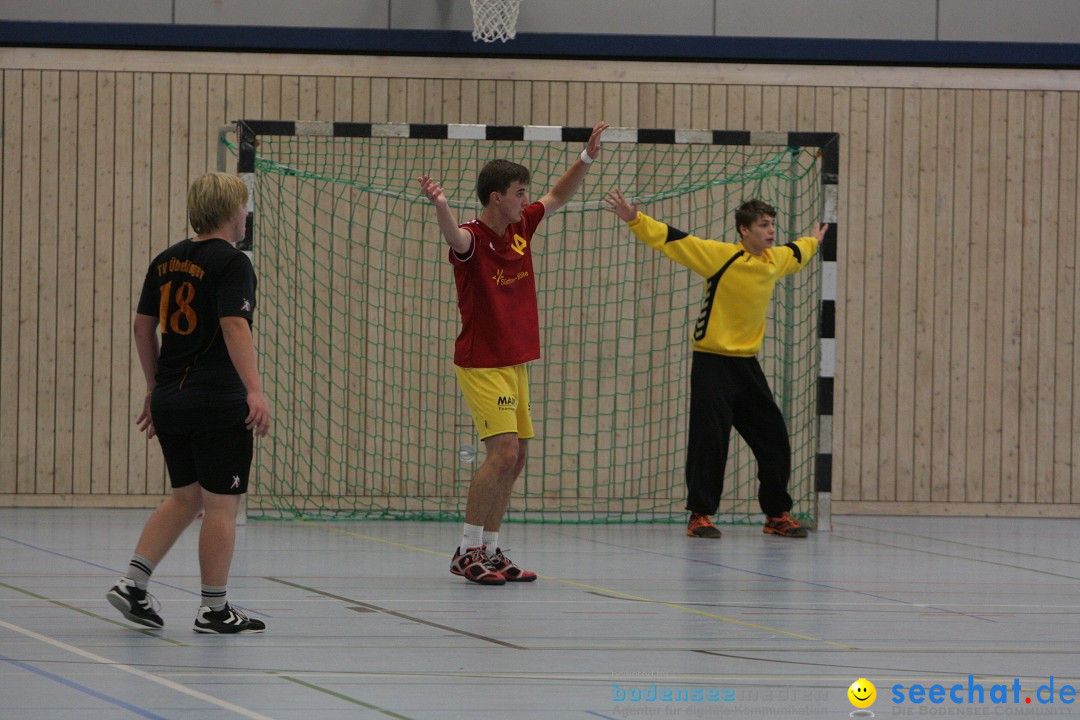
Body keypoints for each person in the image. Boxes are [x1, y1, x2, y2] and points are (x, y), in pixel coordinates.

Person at [418, 121, 610, 585]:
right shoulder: (471, 236)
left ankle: (490, 548)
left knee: (517, 456)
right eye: (519, 193)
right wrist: (441, 206)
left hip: (517, 359)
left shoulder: (522, 225)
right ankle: (465, 551)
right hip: (482, 362)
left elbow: (558, 196)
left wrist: (585, 158)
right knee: (502, 452)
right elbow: (454, 240)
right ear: (495, 198)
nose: (527, 199)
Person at [604, 190, 827, 539]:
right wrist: (635, 219)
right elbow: (674, 240)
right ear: (743, 230)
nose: (770, 231)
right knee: (710, 440)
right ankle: (700, 515)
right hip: (712, 363)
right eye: (763, 225)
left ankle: (776, 514)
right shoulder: (720, 257)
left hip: (747, 366)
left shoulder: (775, 259)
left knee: (774, 439)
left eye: (772, 225)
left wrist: (813, 240)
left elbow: (798, 252)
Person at [106, 172, 271, 633]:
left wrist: (155, 386)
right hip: (217, 401)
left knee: (185, 497)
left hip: (171, 401)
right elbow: (235, 326)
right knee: (222, 505)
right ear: (227, 211)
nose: (246, 215)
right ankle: (214, 609)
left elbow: (142, 326)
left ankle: (133, 584)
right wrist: (254, 390)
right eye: (243, 206)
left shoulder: (165, 261)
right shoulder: (232, 262)